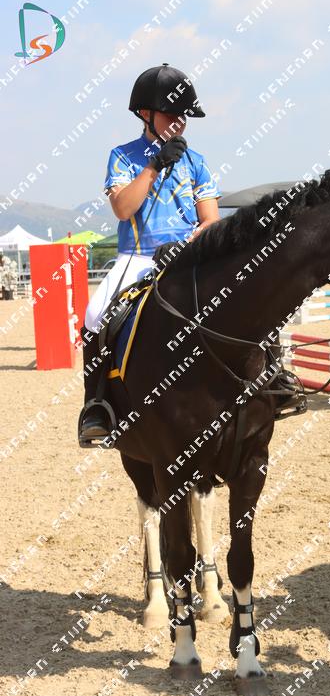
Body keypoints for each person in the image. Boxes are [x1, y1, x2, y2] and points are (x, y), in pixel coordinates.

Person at [78, 63, 221, 445]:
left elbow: (210, 218)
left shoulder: (197, 162)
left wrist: (195, 239)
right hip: (138, 257)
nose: (179, 123)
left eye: (183, 117)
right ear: (146, 113)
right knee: (94, 315)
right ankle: (96, 405)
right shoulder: (123, 157)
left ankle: (271, 377)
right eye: (171, 115)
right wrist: (155, 166)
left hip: (188, 256)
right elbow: (123, 208)